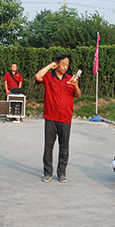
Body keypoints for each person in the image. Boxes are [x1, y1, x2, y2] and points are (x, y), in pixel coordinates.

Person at [35, 54, 81, 183]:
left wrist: (76, 85)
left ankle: (61, 173)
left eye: (67, 65)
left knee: (64, 147)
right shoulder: (49, 77)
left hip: (65, 117)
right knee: (49, 146)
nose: (66, 67)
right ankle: (48, 172)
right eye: (63, 64)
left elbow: (78, 95)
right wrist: (50, 66)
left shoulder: (70, 79)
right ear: (56, 64)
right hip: (51, 116)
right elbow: (38, 77)